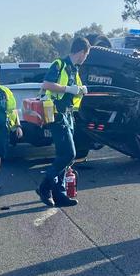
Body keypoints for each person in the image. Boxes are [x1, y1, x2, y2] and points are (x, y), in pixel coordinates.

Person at [36, 37, 90, 207]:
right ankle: (44, 187)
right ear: (82, 52)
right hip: (57, 115)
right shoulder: (59, 64)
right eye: (86, 54)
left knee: (64, 157)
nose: (85, 58)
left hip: (68, 115)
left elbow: (75, 90)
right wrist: (69, 89)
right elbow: (46, 84)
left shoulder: (74, 70)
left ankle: (59, 193)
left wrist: (81, 90)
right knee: (69, 154)